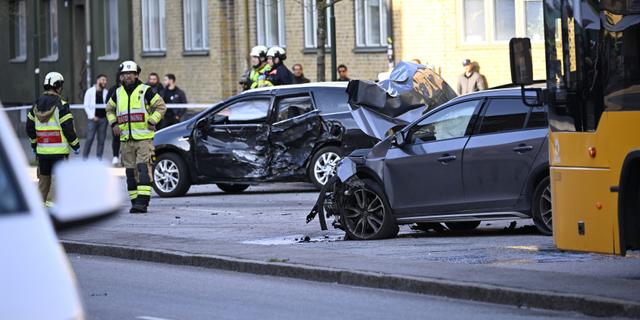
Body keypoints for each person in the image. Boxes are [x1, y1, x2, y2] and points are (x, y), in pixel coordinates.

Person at [106, 61, 166, 214]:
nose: (127, 76)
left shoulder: (146, 91)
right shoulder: (117, 93)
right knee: (130, 172)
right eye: (124, 74)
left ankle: (142, 202)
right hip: (126, 141)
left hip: (144, 139)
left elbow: (161, 106)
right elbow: (109, 110)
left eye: (130, 74)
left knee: (143, 169)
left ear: (137, 75)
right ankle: (134, 201)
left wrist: (153, 120)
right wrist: (114, 124)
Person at [26, 72, 80, 207]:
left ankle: (39, 209)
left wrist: (34, 144)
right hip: (59, 153)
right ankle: (52, 210)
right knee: (56, 182)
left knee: (43, 182)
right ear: (57, 86)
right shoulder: (61, 105)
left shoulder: (36, 105)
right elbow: (67, 127)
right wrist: (75, 145)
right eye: (60, 85)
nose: (61, 88)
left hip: (42, 152)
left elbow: (29, 127)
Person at [82, 74, 109, 160]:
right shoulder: (89, 91)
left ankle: (99, 158)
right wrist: (92, 116)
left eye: (105, 80)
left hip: (103, 119)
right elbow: (86, 105)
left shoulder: (106, 92)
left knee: (101, 140)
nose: (104, 82)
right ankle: (85, 158)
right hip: (92, 119)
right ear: (98, 80)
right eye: (103, 80)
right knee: (89, 138)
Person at [106, 72, 123, 165]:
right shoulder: (113, 89)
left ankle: (124, 157)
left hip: (127, 119)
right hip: (116, 118)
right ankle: (115, 156)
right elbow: (108, 104)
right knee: (116, 138)